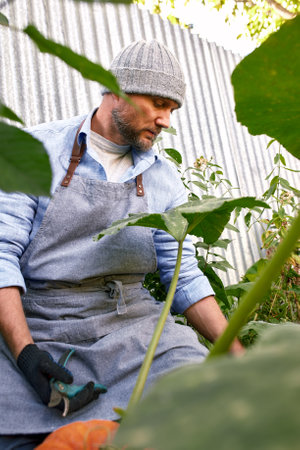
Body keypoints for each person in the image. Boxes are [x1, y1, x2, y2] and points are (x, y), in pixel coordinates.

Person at [0, 40, 243, 448]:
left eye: (173, 110)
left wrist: (239, 355)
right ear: (117, 89)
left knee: (201, 393)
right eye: (159, 103)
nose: (166, 120)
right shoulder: (36, 149)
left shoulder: (165, 179)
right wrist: (25, 353)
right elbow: (1, 254)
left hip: (131, 327)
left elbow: (182, 278)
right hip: (40, 323)